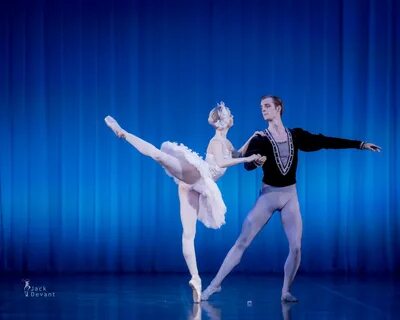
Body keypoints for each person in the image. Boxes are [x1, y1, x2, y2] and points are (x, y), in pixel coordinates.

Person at [201, 95, 381, 303]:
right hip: (268, 196)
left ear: (278, 108)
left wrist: (359, 144)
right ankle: (215, 284)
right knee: (242, 241)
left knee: (296, 247)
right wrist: (256, 163)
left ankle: (285, 291)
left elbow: (323, 141)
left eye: (267, 106)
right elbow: (246, 164)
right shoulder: (261, 138)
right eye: (261, 107)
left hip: (290, 197)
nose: (263, 109)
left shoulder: (295, 135)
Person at [104, 102, 264, 303]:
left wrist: (253, 138)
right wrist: (248, 158)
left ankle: (196, 279)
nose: (232, 116)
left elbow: (237, 153)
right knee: (159, 156)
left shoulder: (226, 143)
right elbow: (224, 163)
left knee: (189, 235)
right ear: (223, 122)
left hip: (196, 186)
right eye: (230, 114)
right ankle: (123, 133)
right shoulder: (216, 141)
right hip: (195, 175)